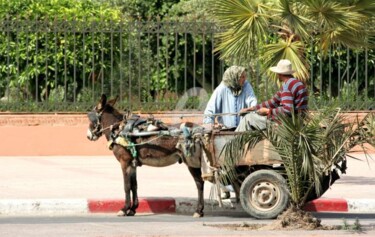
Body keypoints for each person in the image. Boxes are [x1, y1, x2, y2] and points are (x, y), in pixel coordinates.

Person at [202, 65, 257, 199]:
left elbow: (252, 101)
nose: (244, 79)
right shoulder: (222, 88)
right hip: (226, 132)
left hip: (243, 131)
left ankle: (240, 187)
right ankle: (225, 186)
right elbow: (210, 110)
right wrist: (210, 125)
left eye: (245, 77)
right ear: (234, 78)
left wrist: (251, 109)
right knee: (224, 163)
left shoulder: (246, 86)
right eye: (241, 77)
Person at [236, 59, 308, 132]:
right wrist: (251, 109)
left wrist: (268, 111)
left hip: (288, 125)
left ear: (280, 74)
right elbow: (273, 102)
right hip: (297, 122)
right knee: (252, 115)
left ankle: (233, 141)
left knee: (249, 118)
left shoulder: (287, 85)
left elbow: (287, 110)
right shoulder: (297, 83)